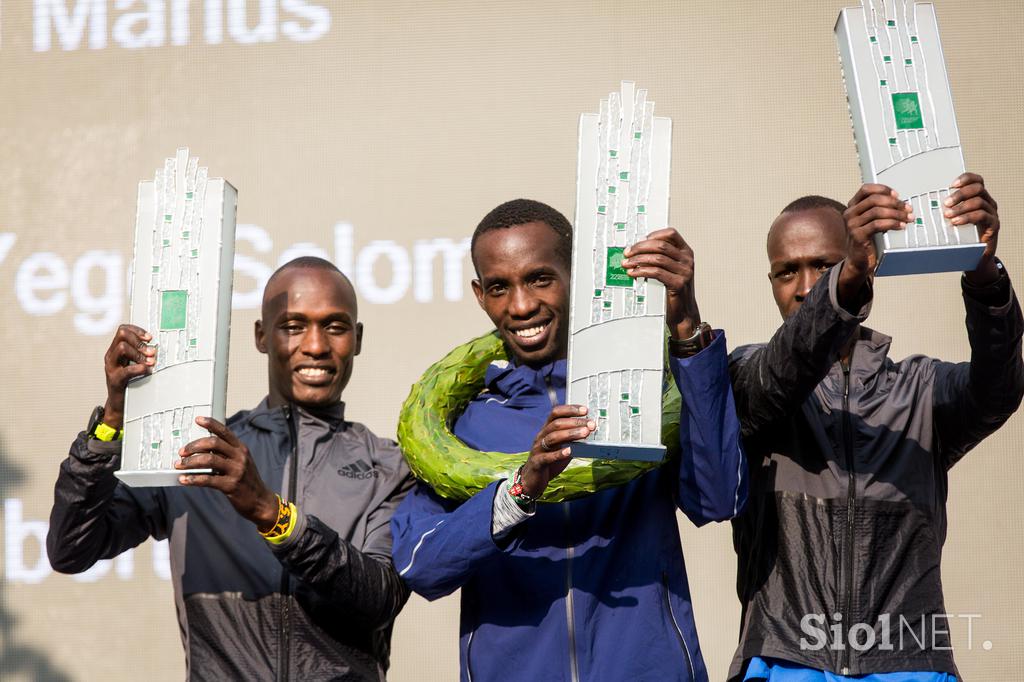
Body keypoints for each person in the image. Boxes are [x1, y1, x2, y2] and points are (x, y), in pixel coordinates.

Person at [391, 199, 747, 681]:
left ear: (576, 275)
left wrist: (685, 327)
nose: (521, 305)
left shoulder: (637, 394)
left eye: (540, 278)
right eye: (499, 287)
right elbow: (421, 566)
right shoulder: (467, 428)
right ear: (480, 295)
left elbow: (717, 499)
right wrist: (521, 489)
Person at [47, 257, 413, 681]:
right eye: (293, 326)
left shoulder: (387, 464)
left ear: (358, 337)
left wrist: (273, 515)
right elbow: (70, 550)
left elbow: (380, 600)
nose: (315, 345)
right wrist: (112, 421)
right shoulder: (199, 451)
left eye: (335, 326)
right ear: (261, 336)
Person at [727, 175, 1024, 681]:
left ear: (870, 262)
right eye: (786, 272)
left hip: (910, 664)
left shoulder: (919, 391)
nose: (804, 288)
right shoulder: (749, 376)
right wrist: (843, 282)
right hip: (784, 661)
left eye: (824, 265)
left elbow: (998, 387)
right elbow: (778, 376)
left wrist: (982, 273)